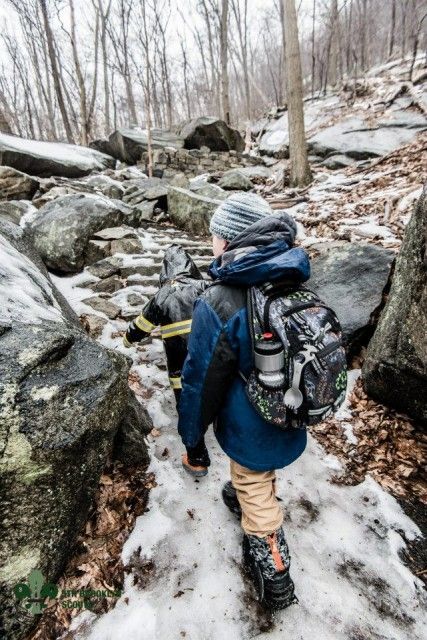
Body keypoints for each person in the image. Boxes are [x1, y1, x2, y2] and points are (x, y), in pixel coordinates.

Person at [177, 192, 311, 610]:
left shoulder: (220, 298)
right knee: (256, 471)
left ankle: (275, 575)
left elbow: (199, 380)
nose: (211, 241)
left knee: (256, 489)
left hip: (250, 423)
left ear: (230, 240)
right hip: (292, 408)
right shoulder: (292, 273)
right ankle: (247, 492)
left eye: (216, 234)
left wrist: (191, 436)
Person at [123, 244, 211, 477]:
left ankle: (197, 459)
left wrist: (127, 340)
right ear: (191, 266)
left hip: (180, 368)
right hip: (213, 361)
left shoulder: (163, 295)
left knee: (188, 409)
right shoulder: (205, 286)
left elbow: (141, 326)